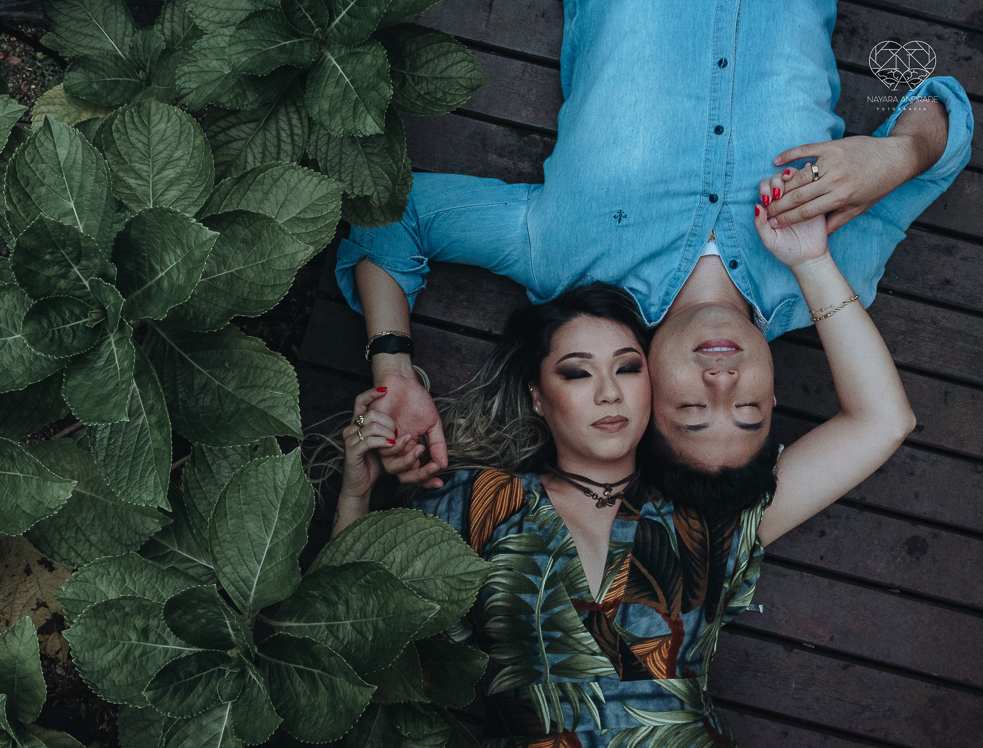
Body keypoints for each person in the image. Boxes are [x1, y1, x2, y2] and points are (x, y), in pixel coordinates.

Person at [332, 207, 915, 746]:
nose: (609, 393)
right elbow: (339, 637)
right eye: (577, 373)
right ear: (539, 397)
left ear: (655, 388)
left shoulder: (709, 511)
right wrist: (356, 491)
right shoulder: (472, 505)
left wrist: (814, 259)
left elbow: (882, 421)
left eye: (628, 368)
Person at [336, 0, 971, 488]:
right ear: (774, 393)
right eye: (748, 407)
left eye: (693, 407)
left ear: (645, 397)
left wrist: (392, 368)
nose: (721, 380)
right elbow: (946, 116)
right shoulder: (835, 273)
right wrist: (899, 155)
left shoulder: (563, 258)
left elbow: (388, 213)